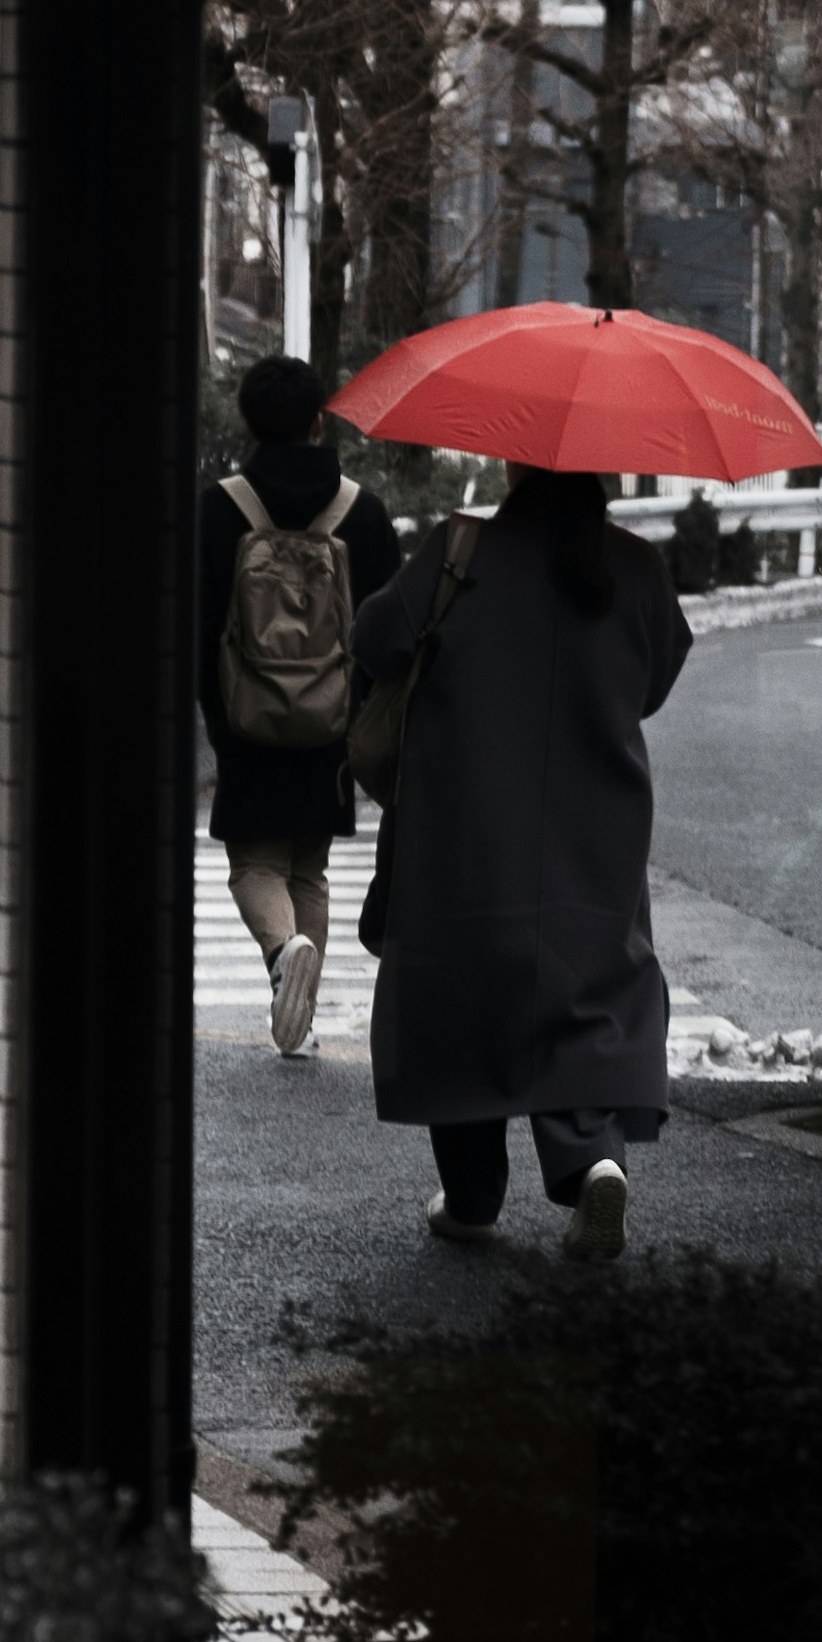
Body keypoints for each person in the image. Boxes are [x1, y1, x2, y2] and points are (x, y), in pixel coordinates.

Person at [352, 463, 692, 1260]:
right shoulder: (635, 566)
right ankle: (590, 1163)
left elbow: (374, 639)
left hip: (465, 826)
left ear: (514, 466)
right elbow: (655, 681)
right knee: (585, 988)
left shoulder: (460, 552)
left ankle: (472, 1198)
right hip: (594, 830)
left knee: (463, 994)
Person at [197, 354, 400, 1058]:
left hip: (246, 715)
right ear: (319, 421)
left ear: (249, 421)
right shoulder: (362, 511)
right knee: (307, 866)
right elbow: (388, 628)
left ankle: (285, 953)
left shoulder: (220, 508)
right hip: (330, 720)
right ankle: (301, 1018)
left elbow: (196, 623)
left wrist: (216, 715)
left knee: (255, 863)